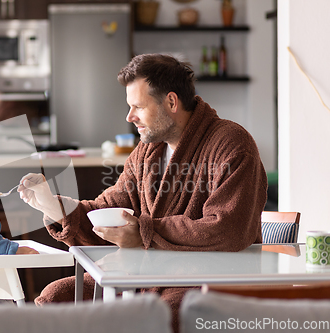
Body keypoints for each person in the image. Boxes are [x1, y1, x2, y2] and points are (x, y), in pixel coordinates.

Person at [17, 54, 267, 330]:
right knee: (57, 296)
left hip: (205, 280)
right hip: (145, 277)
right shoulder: (147, 152)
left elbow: (229, 228)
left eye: (138, 106)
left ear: (171, 102)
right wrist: (55, 207)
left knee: (161, 316)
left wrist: (144, 232)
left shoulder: (231, 145)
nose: (129, 116)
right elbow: (111, 209)